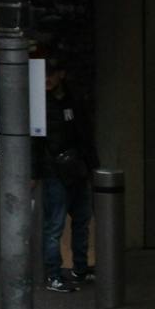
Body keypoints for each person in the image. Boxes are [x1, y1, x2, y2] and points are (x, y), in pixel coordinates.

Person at [33, 60, 96, 292]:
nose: (46, 79)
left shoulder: (74, 100)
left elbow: (85, 135)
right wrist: (35, 171)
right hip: (54, 170)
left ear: (61, 74)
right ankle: (53, 274)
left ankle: (80, 268)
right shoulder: (41, 103)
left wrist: (91, 166)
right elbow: (36, 141)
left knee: (81, 220)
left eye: (50, 74)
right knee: (55, 224)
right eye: (44, 75)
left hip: (76, 167)